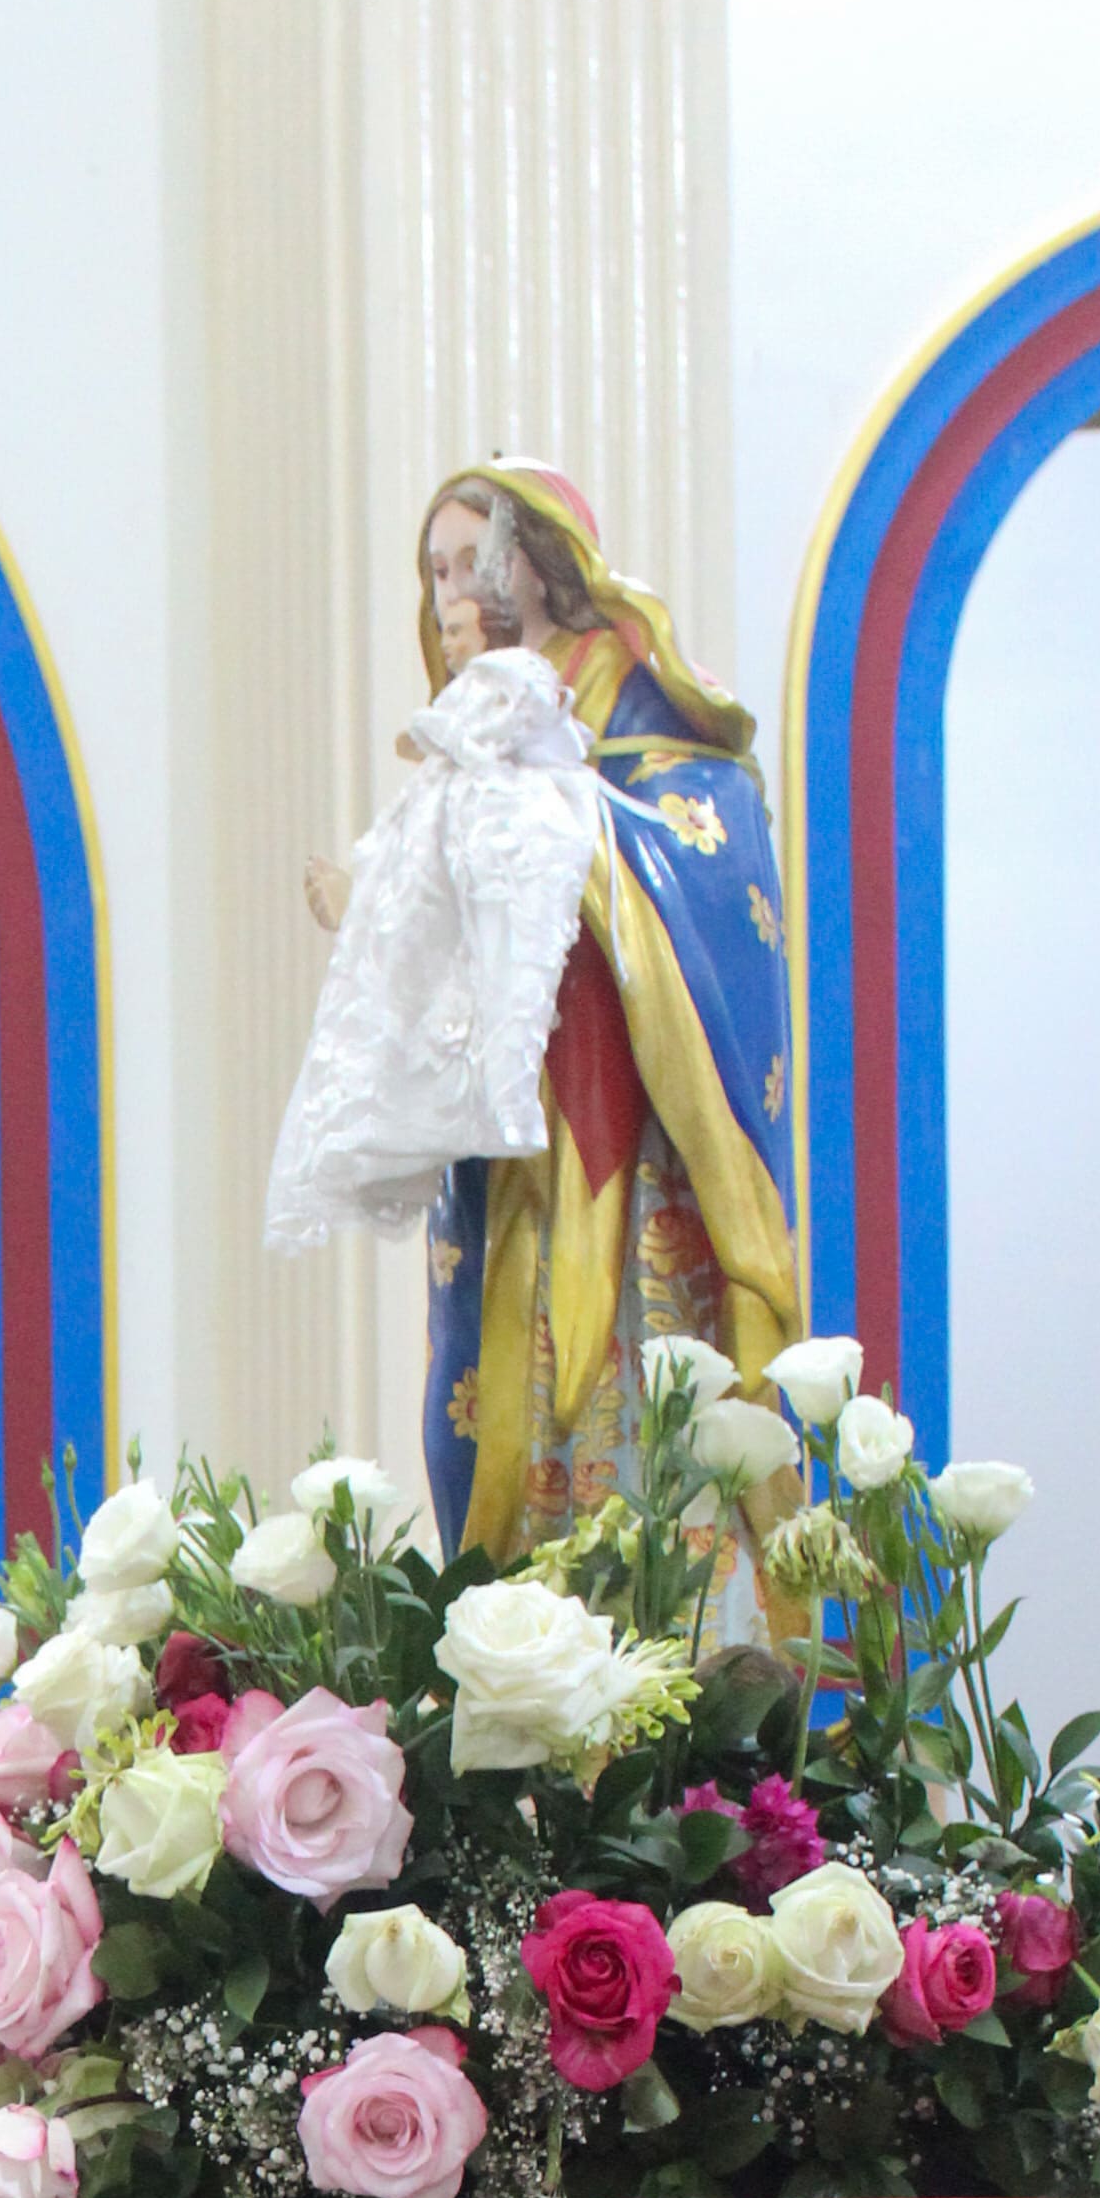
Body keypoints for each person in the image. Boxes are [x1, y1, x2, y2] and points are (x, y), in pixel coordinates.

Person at [290, 458, 797, 1561]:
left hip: (646, 1136)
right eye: (435, 572)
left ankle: (673, 1622)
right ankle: (523, 1599)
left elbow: (710, 859)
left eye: (471, 563)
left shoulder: (645, 713)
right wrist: (380, 900)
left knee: (652, 1378)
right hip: (515, 1139)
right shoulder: (473, 743)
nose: (452, 595)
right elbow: (439, 906)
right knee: (506, 1374)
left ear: (540, 563)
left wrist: (571, 852)